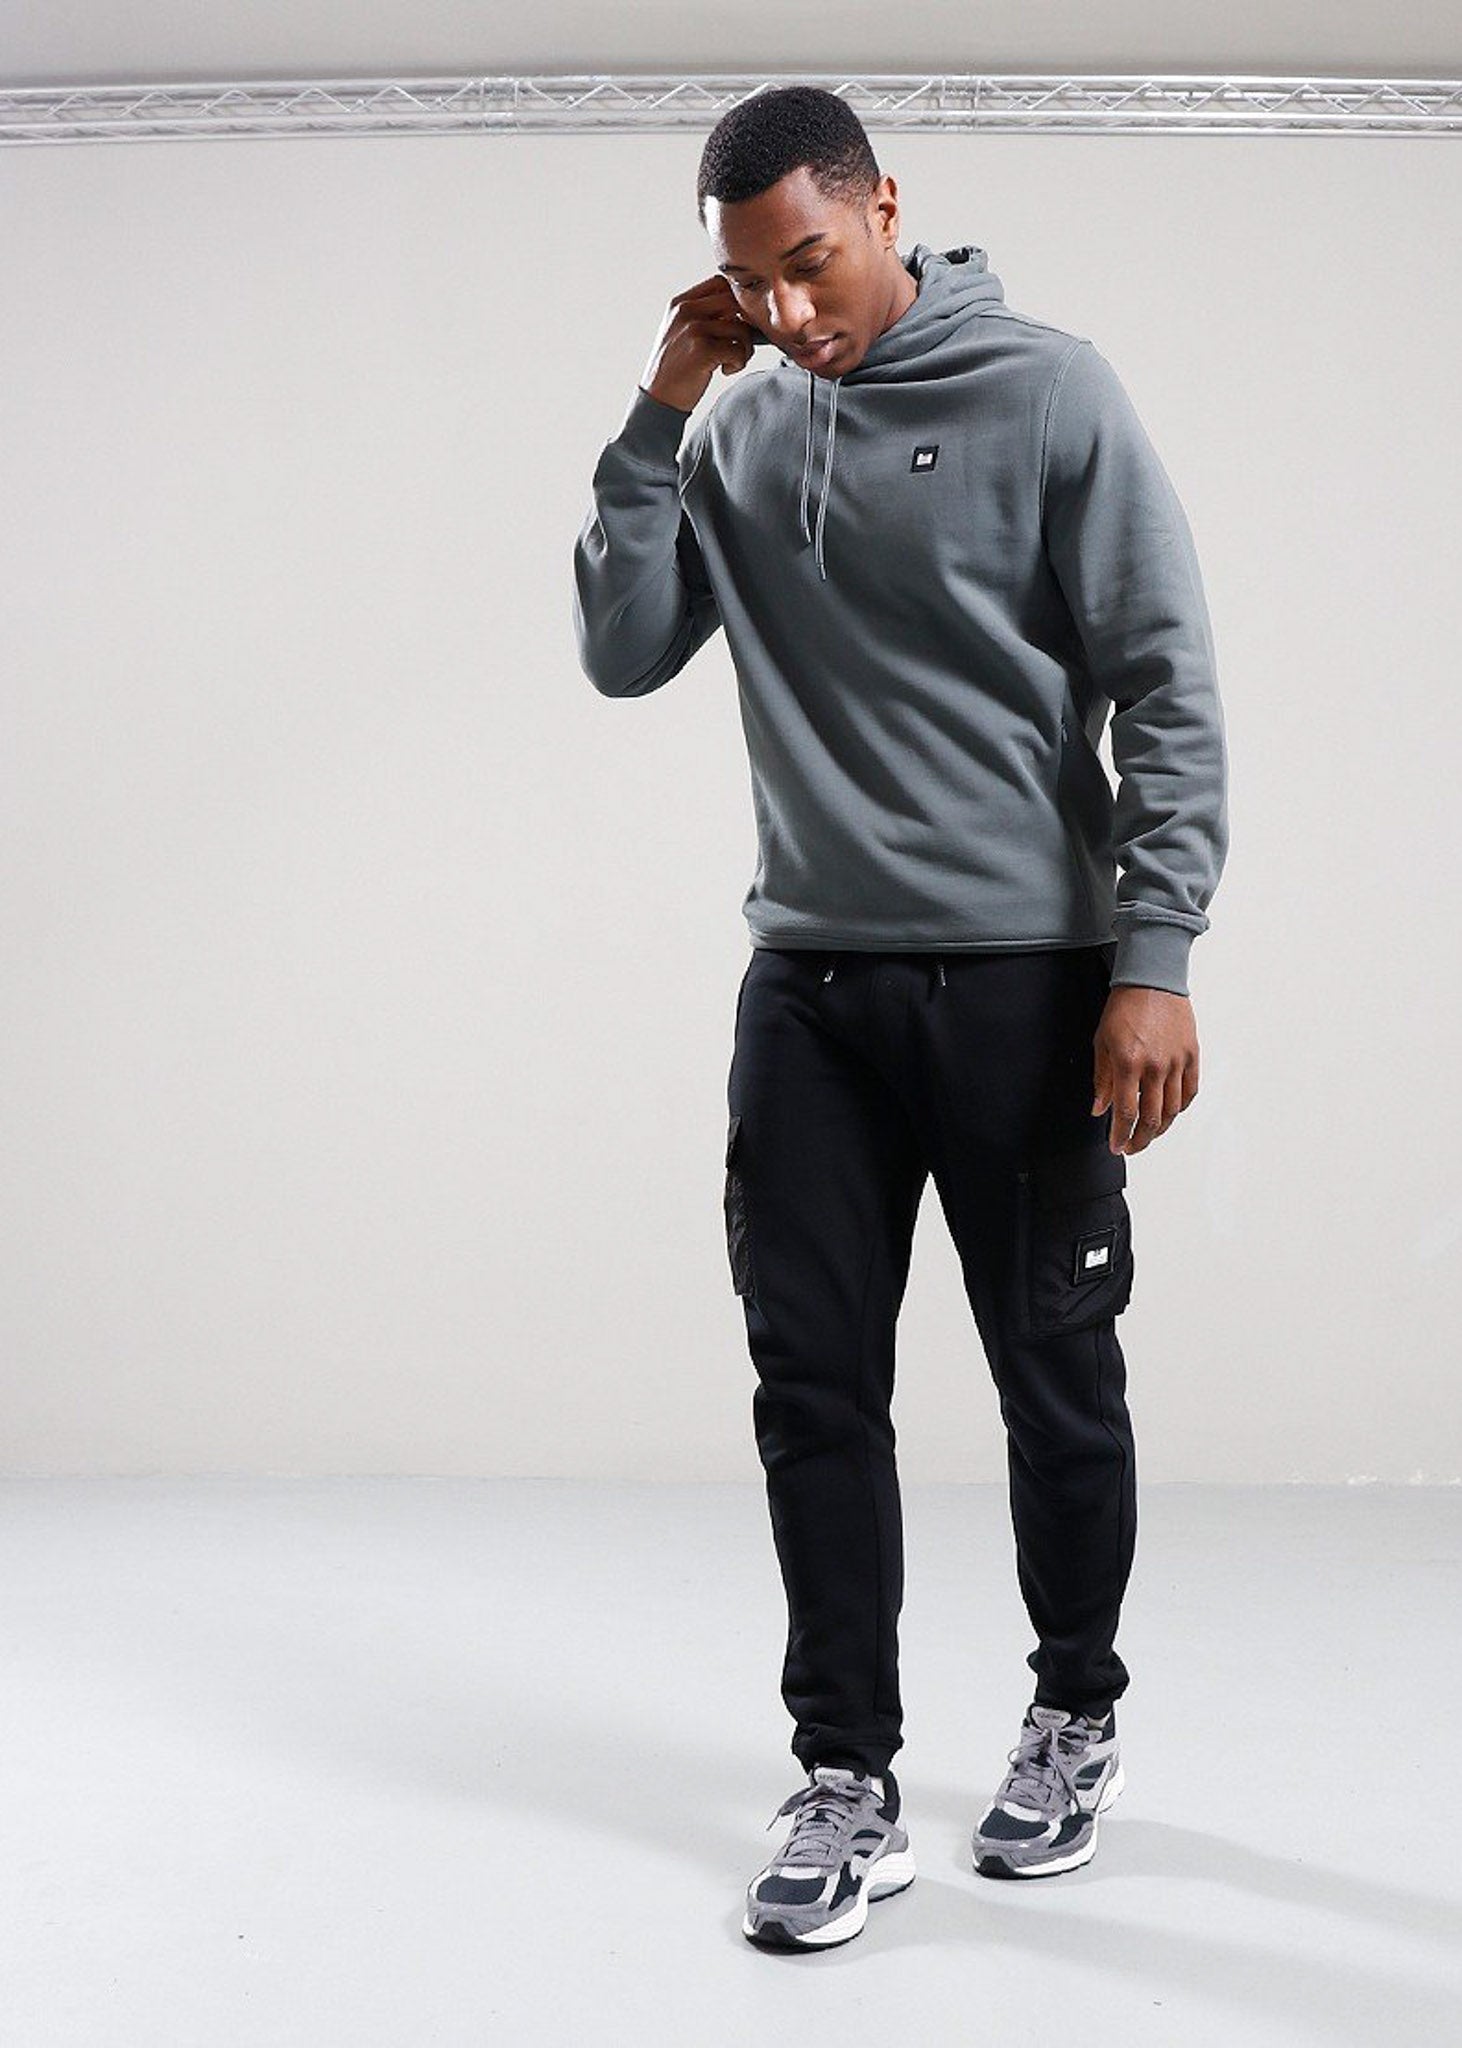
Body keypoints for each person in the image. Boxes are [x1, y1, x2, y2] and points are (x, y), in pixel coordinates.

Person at [571, 84, 1229, 1951]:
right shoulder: (739, 417)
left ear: (883, 207)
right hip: (809, 987)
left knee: (1052, 1372)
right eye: (748, 284)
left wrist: (1153, 958)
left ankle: (1073, 1714)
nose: (789, 311)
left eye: (810, 262)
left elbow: (1166, 685)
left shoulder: (1050, 391)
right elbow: (621, 651)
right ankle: (843, 1780)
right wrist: (660, 410)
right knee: (809, 1390)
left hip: (1024, 981)